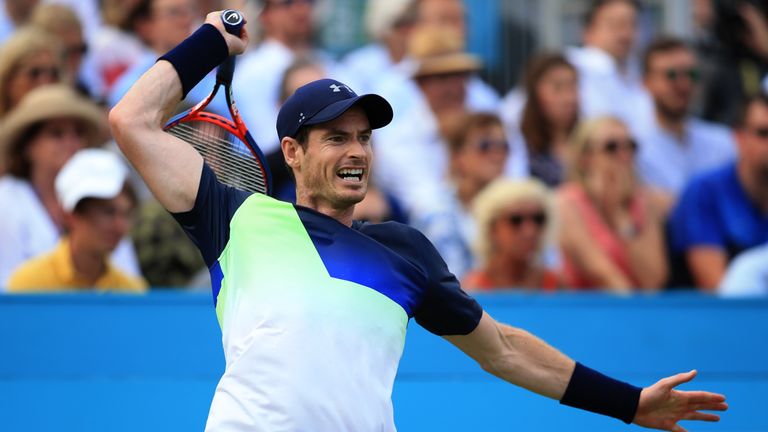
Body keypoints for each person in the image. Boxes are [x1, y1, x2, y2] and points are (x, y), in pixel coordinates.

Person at [109, 12, 727, 431]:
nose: (356, 151)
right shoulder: (235, 219)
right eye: (334, 138)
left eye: (363, 138)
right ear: (292, 152)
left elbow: (505, 350)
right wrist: (211, 42)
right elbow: (131, 120)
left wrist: (628, 403)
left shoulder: (405, 251)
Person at [0, 84, 140, 288]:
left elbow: (126, 280)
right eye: (56, 134)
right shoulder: (6, 199)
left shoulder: (111, 192)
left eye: (78, 133)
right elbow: (8, 292)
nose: (71, 142)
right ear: (28, 145)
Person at [7, 149, 147, 293]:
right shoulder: (29, 283)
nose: (121, 226)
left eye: (126, 214)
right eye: (108, 213)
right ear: (70, 215)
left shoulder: (132, 288)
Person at [668, 94, 768, 291]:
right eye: (763, 133)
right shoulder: (704, 191)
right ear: (739, 137)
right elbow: (720, 292)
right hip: (715, 320)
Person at [557, 116, 668, 291]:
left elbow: (653, 280)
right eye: (611, 147)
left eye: (630, 146)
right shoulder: (566, 203)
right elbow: (604, 276)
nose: (623, 155)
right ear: (586, 158)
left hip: (635, 310)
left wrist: (620, 215)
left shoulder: (644, 202)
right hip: (588, 311)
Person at [414, 111, 511, 279]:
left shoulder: (522, 209)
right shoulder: (434, 211)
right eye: (485, 146)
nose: (498, 154)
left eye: (503, 146)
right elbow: (448, 283)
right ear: (458, 156)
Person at [637, 36, 736, 197]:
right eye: (671, 75)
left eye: (691, 74)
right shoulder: (633, 147)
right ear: (646, 82)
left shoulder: (723, 142)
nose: (683, 84)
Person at [565, 0, 653, 135]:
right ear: (588, 32)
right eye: (616, 24)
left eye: (632, 24)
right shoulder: (569, 66)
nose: (625, 33)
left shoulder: (640, 76)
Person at [463, 178, 561, 292]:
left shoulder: (556, 287)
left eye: (538, 219)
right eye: (516, 220)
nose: (530, 231)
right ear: (492, 229)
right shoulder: (473, 290)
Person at [517, 53, 580, 187]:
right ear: (535, 92)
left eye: (573, 87)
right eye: (558, 88)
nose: (569, 98)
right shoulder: (520, 147)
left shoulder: (591, 144)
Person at [0, 27, 62, 118]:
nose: (46, 83)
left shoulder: (71, 128)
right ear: (8, 80)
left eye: (54, 73)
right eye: (35, 73)